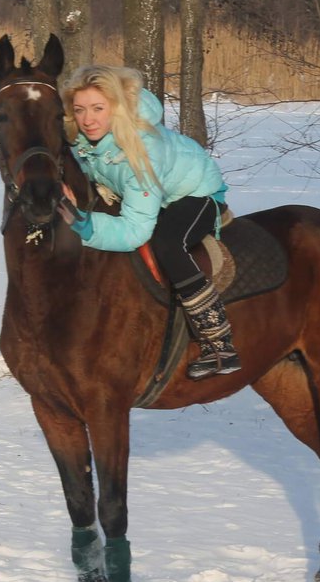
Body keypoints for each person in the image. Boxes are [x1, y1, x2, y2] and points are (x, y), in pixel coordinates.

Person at [60, 64, 240, 379]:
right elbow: (84, 163)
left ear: (118, 108)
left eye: (98, 109)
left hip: (195, 192)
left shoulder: (143, 151)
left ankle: (219, 343)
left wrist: (81, 225)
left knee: (167, 243)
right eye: (80, 110)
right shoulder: (87, 140)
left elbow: (134, 231)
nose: (87, 119)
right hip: (155, 193)